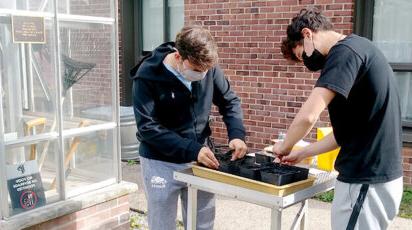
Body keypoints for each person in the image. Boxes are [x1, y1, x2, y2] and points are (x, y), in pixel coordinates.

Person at [275, 8, 403, 230]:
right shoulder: (359, 48)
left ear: (307, 34)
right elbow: (344, 134)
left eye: (301, 54)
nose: (306, 62)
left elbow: (308, 116)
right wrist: (302, 153)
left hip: (365, 181)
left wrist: (283, 147)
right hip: (375, 179)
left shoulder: (343, 53)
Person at [131, 25, 247, 230]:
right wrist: (193, 149)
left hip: (201, 160)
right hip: (160, 161)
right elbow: (147, 128)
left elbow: (230, 101)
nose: (201, 75)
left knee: (202, 224)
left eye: (205, 71)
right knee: (162, 225)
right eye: (196, 70)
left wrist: (237, 135)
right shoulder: (147, 76)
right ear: (178, 56)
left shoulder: (207, 68)